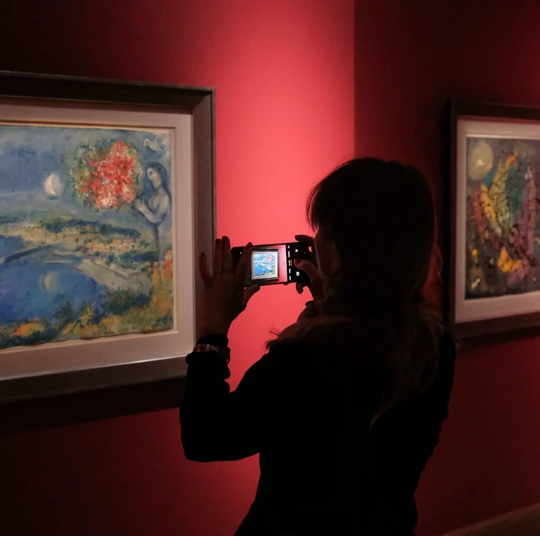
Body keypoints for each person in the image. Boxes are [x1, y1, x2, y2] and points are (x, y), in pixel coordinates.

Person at [179, 158, 457, 535]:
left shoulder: (305, 362)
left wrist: (212, 332)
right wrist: (335, 303)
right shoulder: (434, 346)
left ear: (340, 251)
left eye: (323, 229)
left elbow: (206, 436)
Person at [133, 162, 172, 264]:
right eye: (148, 174)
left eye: (151, 173)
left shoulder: (164, 196)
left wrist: (144, 210)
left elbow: (157, 218)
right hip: (157, 236)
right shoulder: (155, 194)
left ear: (160, 174)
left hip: (165, 237)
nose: (149, 178)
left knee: (164, 262)